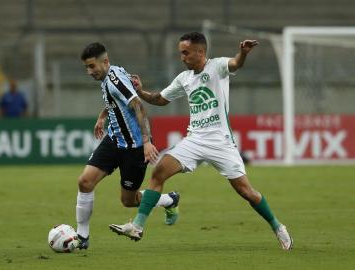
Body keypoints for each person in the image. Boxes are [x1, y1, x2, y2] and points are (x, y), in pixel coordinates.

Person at [109, 32, 293, 250]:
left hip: (220, 142)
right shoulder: (184, 78)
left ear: (200, 52)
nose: (182, 57)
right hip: (194, 140)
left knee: (246, 191)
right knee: (158, 172)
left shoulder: (218, 67)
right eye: (180, 53)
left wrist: (242, 53)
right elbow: (160, 99)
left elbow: (235, 64)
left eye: (186, 52)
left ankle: (277, 226)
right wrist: (140, 91)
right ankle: (137, 226)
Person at [76, 42, 180, 250]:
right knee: (85, 182)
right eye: (87, 67)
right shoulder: (110, 74)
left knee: (128, 201)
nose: (89, 72)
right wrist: (103, 115)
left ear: (104, 62)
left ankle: (169, 200)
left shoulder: (115, 80)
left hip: (134, 148)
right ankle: (82, 237)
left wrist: (147, 141)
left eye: (92, 66)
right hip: (114, 140)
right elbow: (116, 100)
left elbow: (138, 106)